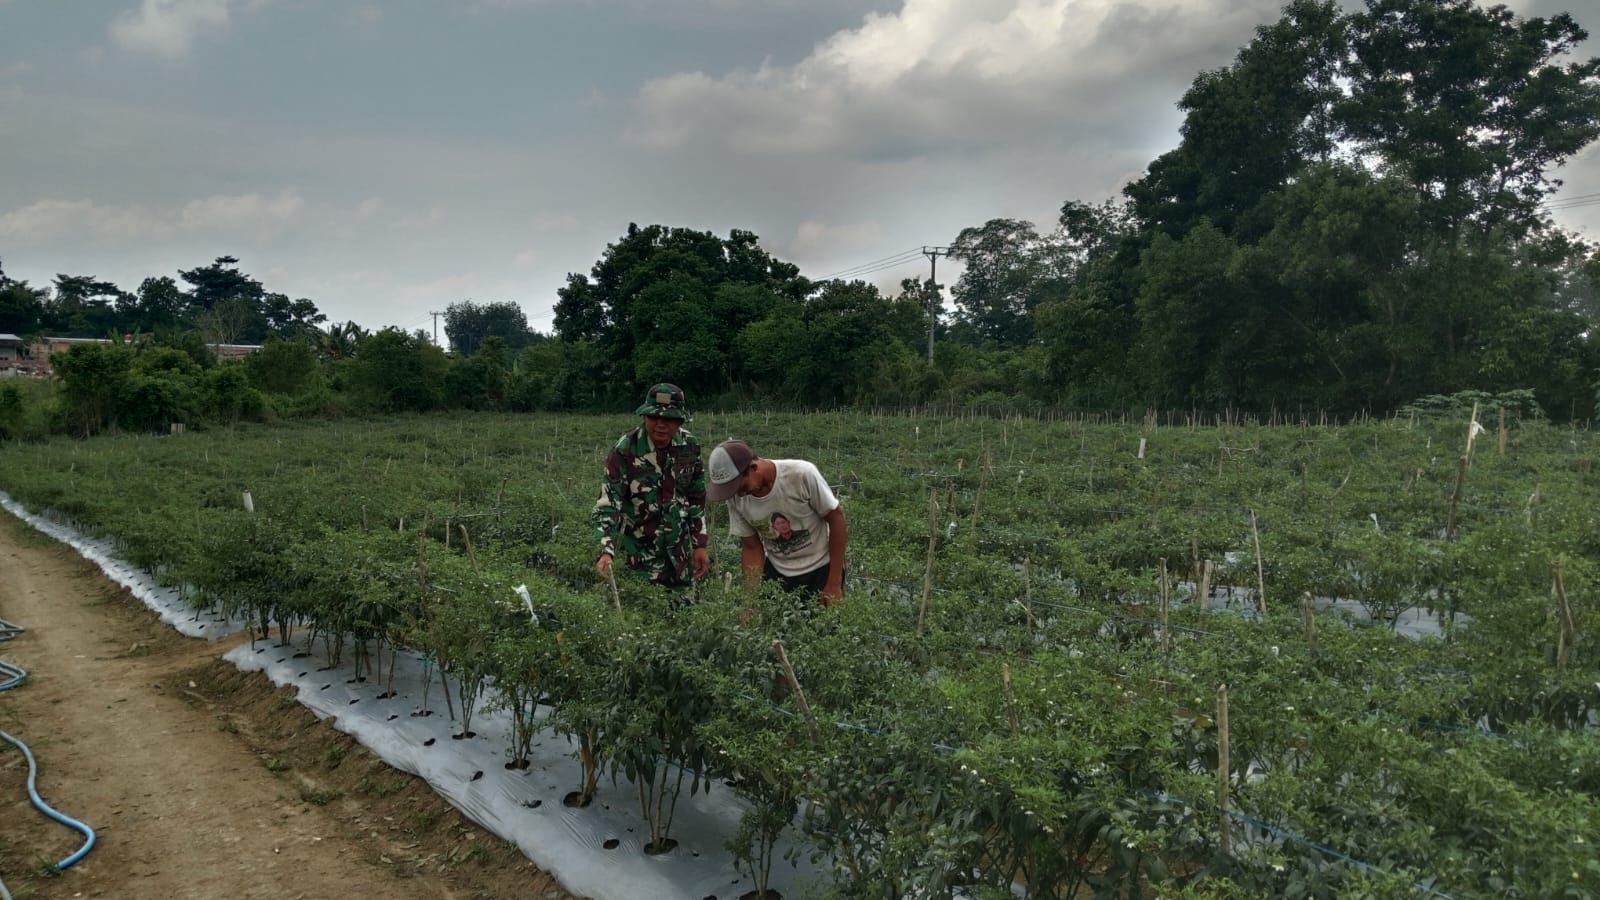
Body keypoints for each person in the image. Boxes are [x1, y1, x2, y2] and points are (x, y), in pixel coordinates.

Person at [591, 383, 710, 589]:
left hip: (679, 558)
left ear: (680, 420)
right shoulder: (625, 450)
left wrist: (699, 544)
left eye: (669, 419)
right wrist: (606, 551)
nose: (661, 424)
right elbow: (608, 504)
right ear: (644, 417)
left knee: (684, 605)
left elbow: (696, 498)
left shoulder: (689, 445)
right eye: (654, 417)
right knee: (639, 605)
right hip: (638, 558)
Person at [705, 439, 847, 604]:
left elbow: (836, 520)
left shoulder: (800, 474)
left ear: (752, 468)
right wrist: (750, 602)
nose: (739, 493)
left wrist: (834, 583)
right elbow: (751, 547)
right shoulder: (736, 497)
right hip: (778, 573)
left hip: (822, 568)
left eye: (739, 486)